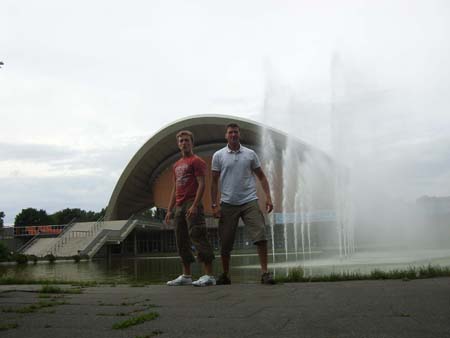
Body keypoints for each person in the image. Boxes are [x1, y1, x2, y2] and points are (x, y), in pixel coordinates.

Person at [211, 123, 275, 285]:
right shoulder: (218, 156)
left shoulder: (250, 154)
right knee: (225, 242)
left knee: (260, 235)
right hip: (227, 203)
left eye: (236, 132)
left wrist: (268, 197)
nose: (233, 135)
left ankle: (265, 273)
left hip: (249, 201)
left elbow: (261, 177)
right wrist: (214, 204)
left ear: (240, 135)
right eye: (230, 132)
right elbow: (213, 181)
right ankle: (225, 275)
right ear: (226, 135)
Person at [165, 130, 216, 287]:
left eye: (186, 140)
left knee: (198, 236)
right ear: (178, 144)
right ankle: (186, 275)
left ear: (192, 143)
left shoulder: (197, 161)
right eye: (181, 141)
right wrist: (169, 209)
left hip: (192, 202)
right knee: (181, 240)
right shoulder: (176, 165)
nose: (184, 143)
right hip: (179, 206)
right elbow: (175, 188)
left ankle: (209, 275)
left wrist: (194, 204)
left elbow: (202, 184)